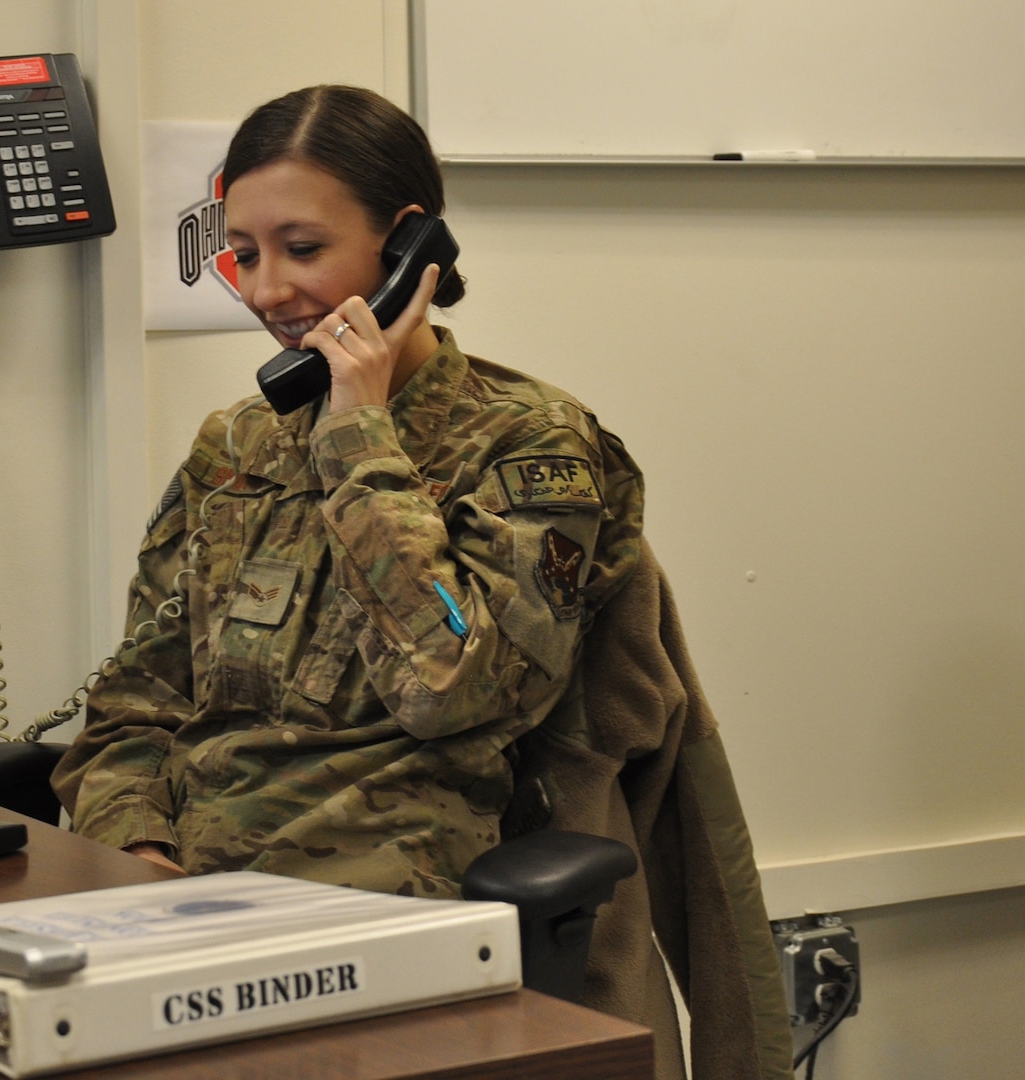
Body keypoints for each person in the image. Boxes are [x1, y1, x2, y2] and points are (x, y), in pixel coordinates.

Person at [49, 85, 644, 898]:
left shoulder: (529, 442)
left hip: (379, 897)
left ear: (406, 248)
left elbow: (450, 689)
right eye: (247, 255)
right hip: (183, 889)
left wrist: (357, 435)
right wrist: (140, 857)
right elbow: (135, 706)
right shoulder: (237, 444)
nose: (265, 293)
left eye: (301, 248)